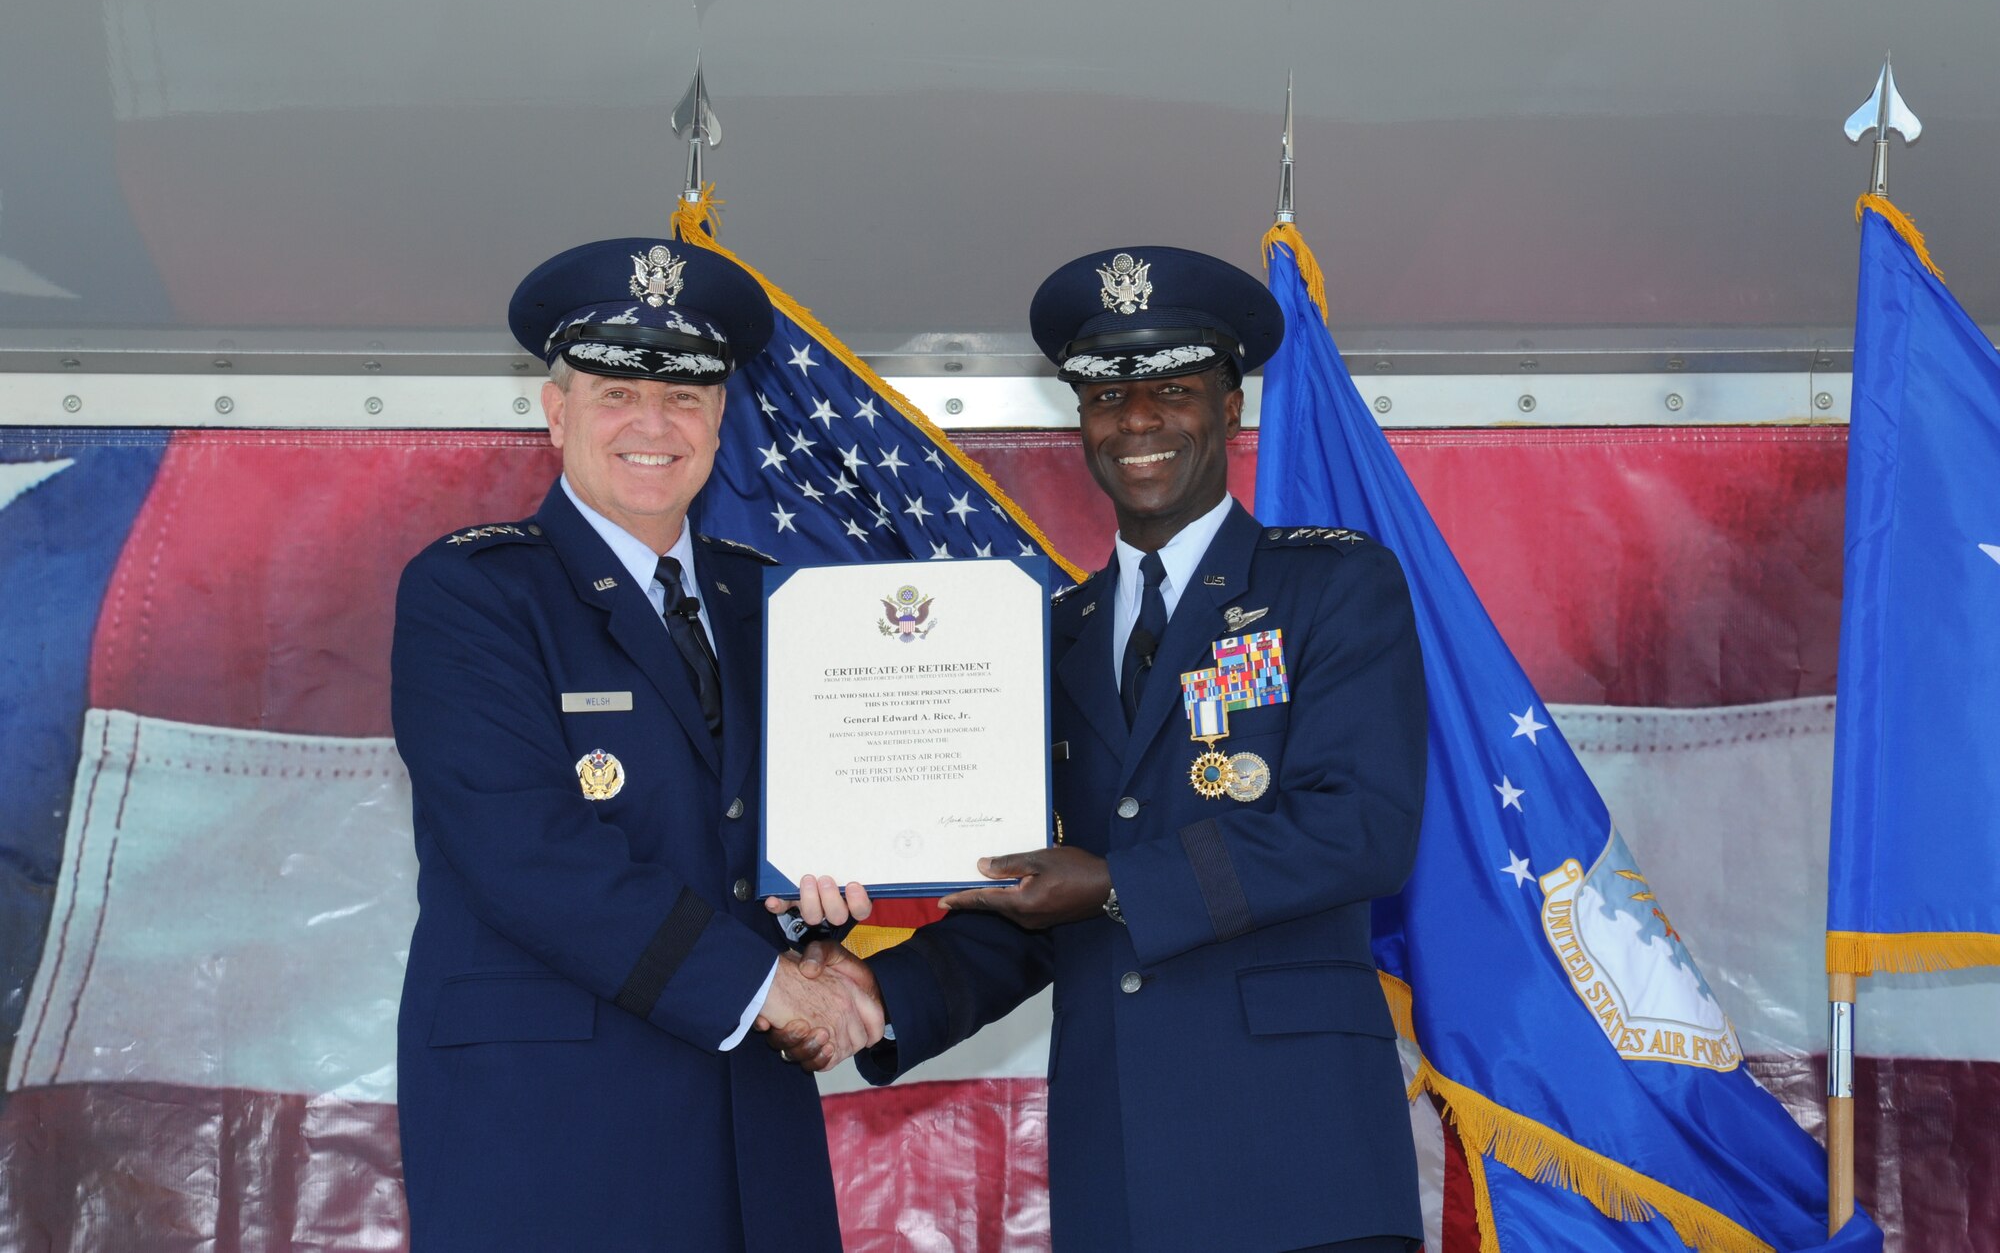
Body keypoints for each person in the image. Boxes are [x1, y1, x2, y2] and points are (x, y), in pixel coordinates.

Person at [779, 246, 1429, 1252]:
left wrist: (1115, 883)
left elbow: (1358, 827)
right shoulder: (1050, 633)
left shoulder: (1330, 588)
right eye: (1104, 396)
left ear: (1231, 407)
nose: (1135, 422)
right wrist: (873, 992)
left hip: (1301, 1167)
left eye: (1170, 389)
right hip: (1119, 1171)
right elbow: (1033, 891)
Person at [391, 236, 878, 1251]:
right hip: (553, 1128)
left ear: (719, 420)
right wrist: (769, 987)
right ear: (556, 410)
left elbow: (784, 835)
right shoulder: (473, 592)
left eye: (687, 398)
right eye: (616, 393)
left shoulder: (780, 604)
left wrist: (824, 915)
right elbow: (524, 849)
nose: (653, 425)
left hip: (751, 1118)